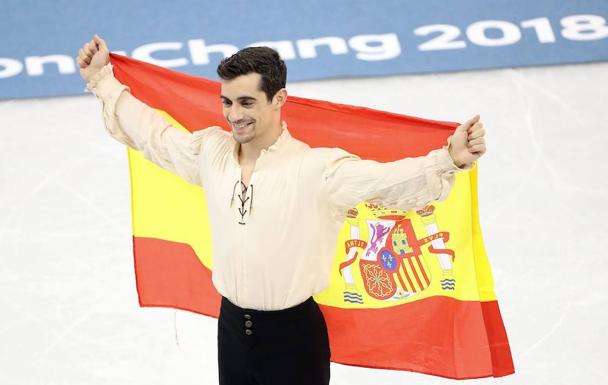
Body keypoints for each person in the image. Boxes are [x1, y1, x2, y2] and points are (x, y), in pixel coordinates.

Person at [76, 34, 486, 385]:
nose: (235, 115)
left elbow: (385, 180)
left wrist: (449, 159)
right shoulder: (211, 152)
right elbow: (156, 135)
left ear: (279, 99)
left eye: (247, 102)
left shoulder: (317, 169)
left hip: (293, 338)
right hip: (232, 329)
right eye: (228, 102)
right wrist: (102, 80)